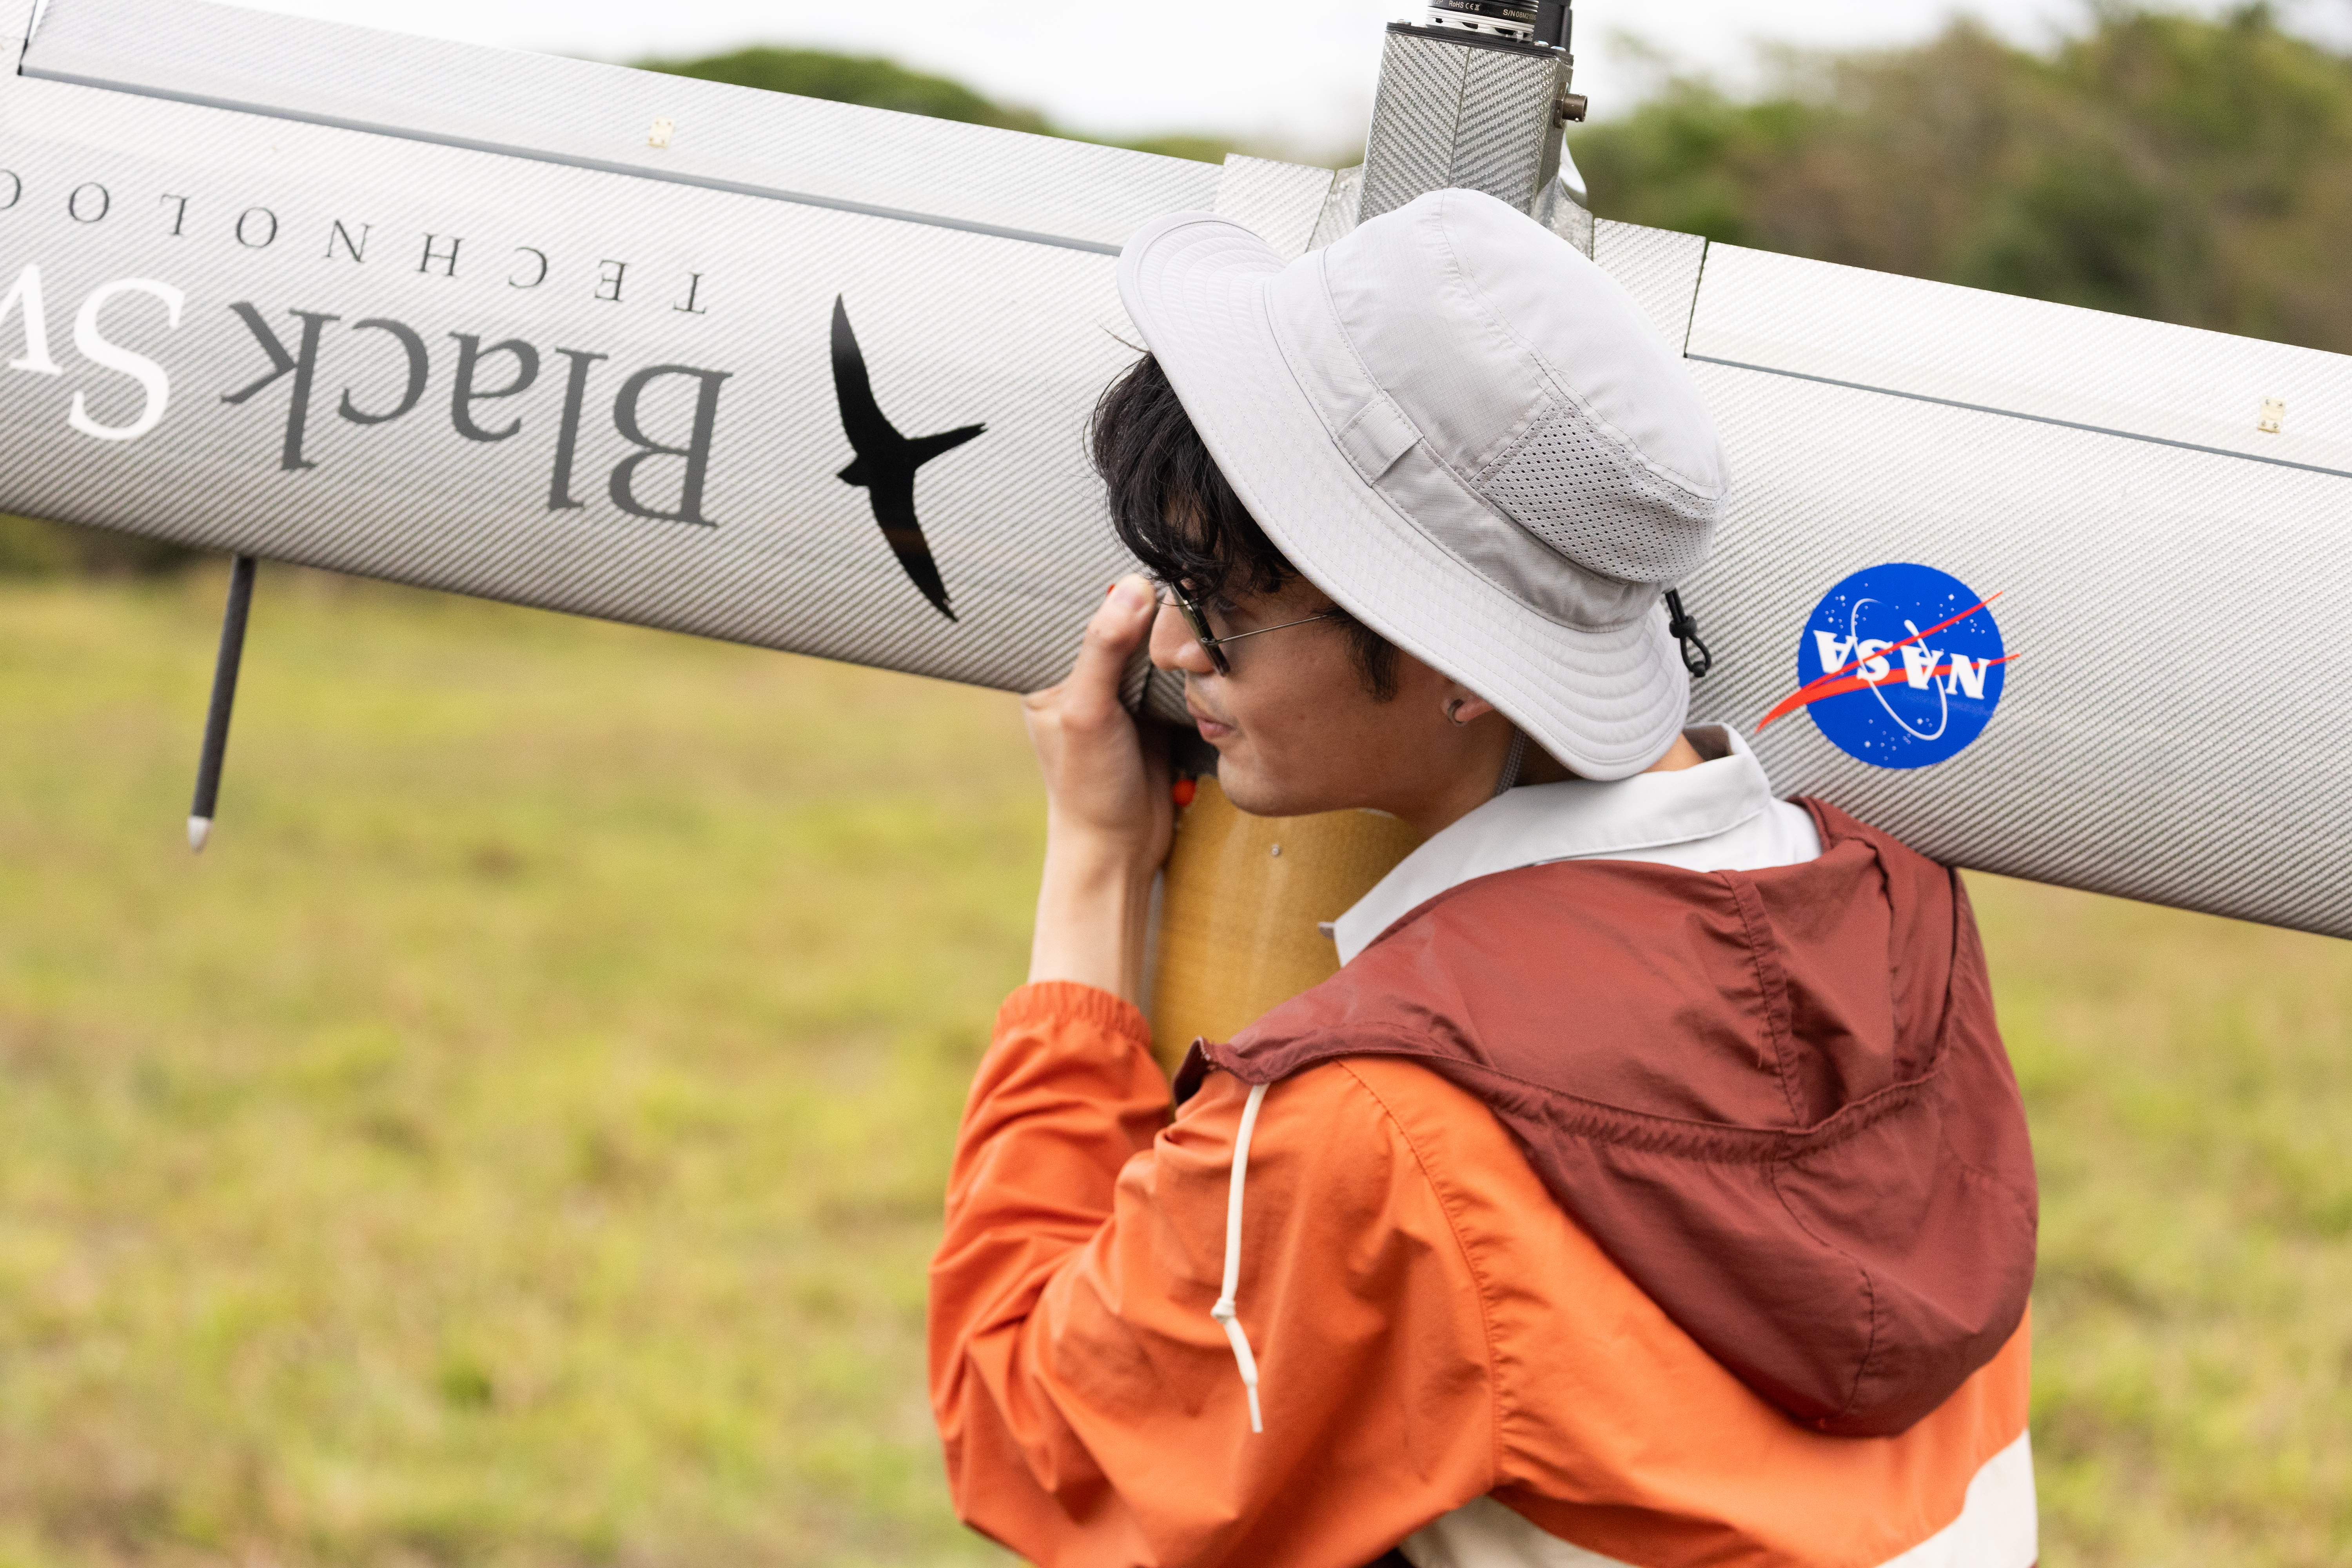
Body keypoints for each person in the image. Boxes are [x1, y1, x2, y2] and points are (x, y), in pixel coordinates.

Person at [928, 188, 2038, 1568]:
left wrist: (1094, 861)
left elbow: (1034, 1440)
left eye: (1216, 600)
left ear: (1447, 656)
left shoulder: (1374, 1121)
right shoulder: (1898, 908)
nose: (1167, 649)